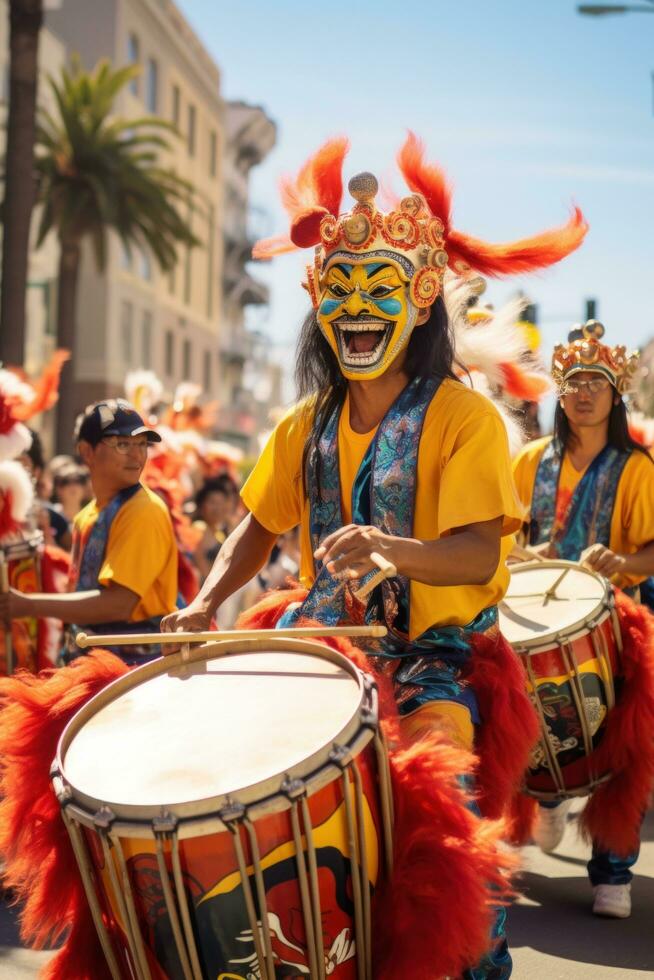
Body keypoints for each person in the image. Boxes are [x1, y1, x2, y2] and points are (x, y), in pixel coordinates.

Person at [162, 133, 588, 977]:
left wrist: (392, 551)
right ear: (320, 300)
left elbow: (473, 557)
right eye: (342, 288)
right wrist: (206, 600)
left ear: (422, 296)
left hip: (434, 662)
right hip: (320, 655)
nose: (359, 306)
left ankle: (475, 961)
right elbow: (254, 524)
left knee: (445, 838)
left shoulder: (462, 418)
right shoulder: (303, 423)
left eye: (381, 287)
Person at [512, 320, 654, 919]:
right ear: (560, 395)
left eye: (597, 382)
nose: (585, 393)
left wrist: (621, 559)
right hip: (529, 615)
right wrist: (525, 555)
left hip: (614, 617)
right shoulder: (524, 462)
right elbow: (497, 539)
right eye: (573, 382)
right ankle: (545, 797)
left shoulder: (639, 469)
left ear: (614, 394)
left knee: (627, 744)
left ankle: (614, 870)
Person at [0, 399, 178, 664]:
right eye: (123, 444)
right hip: (92, 663)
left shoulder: (144, 510)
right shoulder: (87, 516)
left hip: (132, 676)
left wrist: (29, 605)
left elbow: (119, 603)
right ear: (87, 452)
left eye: (142, 444)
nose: (137, 455)